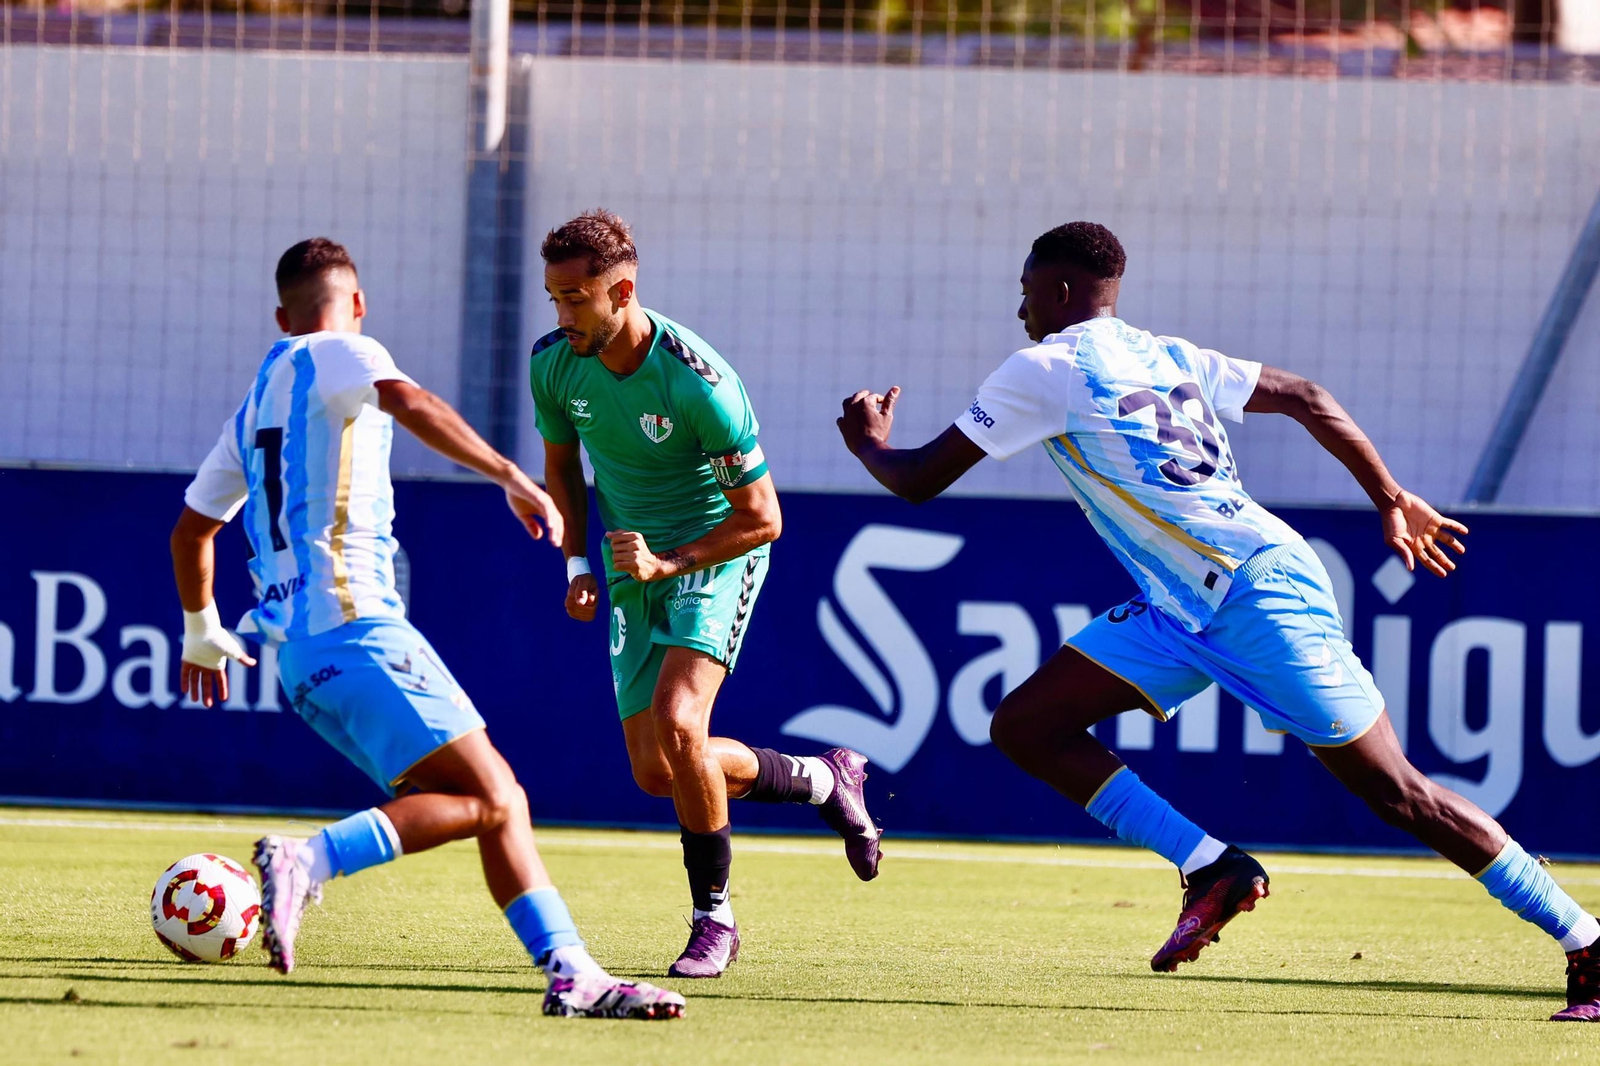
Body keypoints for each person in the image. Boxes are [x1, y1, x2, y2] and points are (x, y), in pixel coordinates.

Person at [835, 220, 1600, 1023]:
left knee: (1397, 792)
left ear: (1059, 290)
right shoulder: (1168, 354)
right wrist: (1390, 496)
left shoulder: (1043, 367)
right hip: (1184, 604)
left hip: (1254, 594)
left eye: (1026, 290)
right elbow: (1307, 396)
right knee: (1027, 725)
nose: (1018, 308)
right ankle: (1210, 867)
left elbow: (917, 479)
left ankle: (1586, 938)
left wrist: (868, 445)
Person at [170, 237, 684, 1020]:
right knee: (496, 794)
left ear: (281, 317)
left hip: (301, 662)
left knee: (483, 802)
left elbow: (190, 532)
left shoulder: (252, 409)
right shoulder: (344, 351)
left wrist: (199, 626)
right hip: (356, 627)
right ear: (357, 303)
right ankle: (306, 859)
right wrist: (508, 473)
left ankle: (572, 975)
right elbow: (412, 403)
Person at [531, 209, 882, 978]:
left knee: (680, 722)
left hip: (715, 554)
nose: (561, 316)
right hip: (632, 567)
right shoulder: (553, 363)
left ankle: (713, 920)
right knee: (658, 771)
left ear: (622, 292)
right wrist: (577, 565)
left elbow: (764, 519)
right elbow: (561, 470)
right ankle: (825, 779)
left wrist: (670, 562)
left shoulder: (700, 382)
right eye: (553, 298)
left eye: (575, 299)